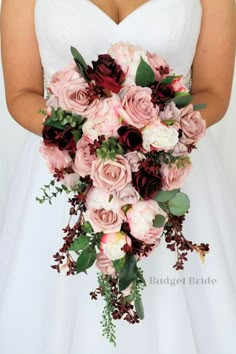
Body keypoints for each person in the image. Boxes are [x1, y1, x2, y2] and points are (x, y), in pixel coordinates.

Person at [0, 0, 235, 353]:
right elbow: (20, 94)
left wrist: (150, 135)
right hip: (64, 172)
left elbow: (214, 92)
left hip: (172, 168)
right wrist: (93, 138)